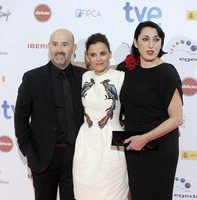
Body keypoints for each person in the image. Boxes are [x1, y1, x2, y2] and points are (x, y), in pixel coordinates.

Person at [14, 28, 86, 200]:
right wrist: (29, 151)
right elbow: (21, 117)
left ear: (74, 48)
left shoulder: (84, 77)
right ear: (48, 47)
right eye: (55, 44)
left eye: (64, 44)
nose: (59, 49)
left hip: (75, 157)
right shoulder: (32, 78)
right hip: (44, 158)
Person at [117, 21, 183, 200]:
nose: (151, 45)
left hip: (160, 149)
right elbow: (101, 71)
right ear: (136, 42)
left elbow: (177, 118)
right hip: (133, 146)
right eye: (145, 39)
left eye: (156, 39)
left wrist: (144, 139)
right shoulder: (126, 68)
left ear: (161, 43)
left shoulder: (167, 73)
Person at [73, 33, 129, 200]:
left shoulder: (121, 77)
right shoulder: (84, 76)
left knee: (112, 193)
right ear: (87, 57)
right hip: (86, 142)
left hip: (114, 140)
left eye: (103, 53)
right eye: (93, 54)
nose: (98, 59)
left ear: (110, 54)